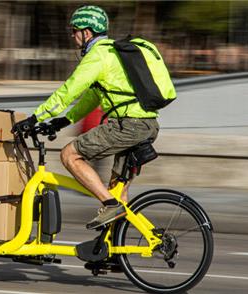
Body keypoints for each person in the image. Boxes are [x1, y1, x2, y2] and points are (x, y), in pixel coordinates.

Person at [13, 5, 176, 230]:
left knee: (69, 155)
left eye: (75, 30)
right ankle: (115, 253)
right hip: (146, 125)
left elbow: (69, 90)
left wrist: (35, 118)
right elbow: (92, 96)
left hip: (128, 126)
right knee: (118, 189)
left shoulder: (98, 55)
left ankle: (110, 204)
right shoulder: (112, 54)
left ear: (87, 33)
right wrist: (65, 120)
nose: (72, 36)